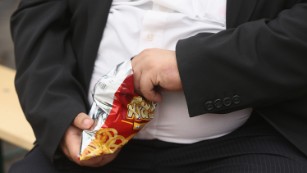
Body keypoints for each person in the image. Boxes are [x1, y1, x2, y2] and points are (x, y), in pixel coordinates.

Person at [9, 0, 307, 172]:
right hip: (89, 136)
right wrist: (58, 113)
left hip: (243, 141)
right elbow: (39, 14)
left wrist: (193, 65)